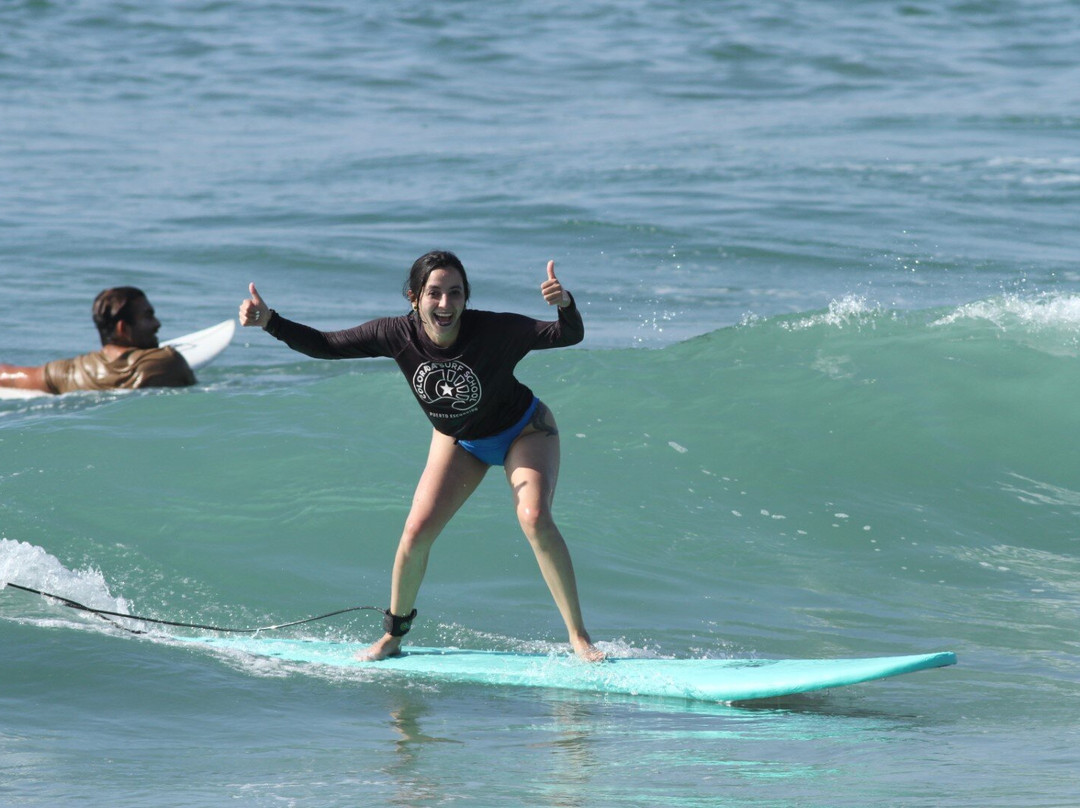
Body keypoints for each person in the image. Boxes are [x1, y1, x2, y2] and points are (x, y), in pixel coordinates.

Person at [238, 251, 603, 662]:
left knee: (534, 517)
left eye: (455, 293)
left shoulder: (495, 330)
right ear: (414, 297)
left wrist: (565, 305)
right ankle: (393, 637)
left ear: (466, 298)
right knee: (415, 533)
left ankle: (578, 637)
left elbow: (567, 336)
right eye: (434, 293)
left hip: (523, 430)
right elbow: (326, 346)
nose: (445, 305)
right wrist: (270, 321)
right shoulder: (396, 334)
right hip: (458, 439)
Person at [0, 287, 196, 395]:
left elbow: (14, 377)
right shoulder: (166, 363)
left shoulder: (70, 372)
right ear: (123, 328)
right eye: (148, 316)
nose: (157, 324)